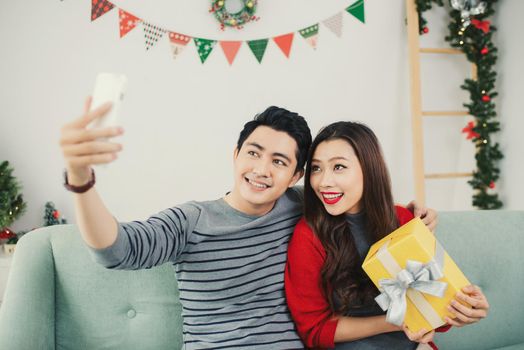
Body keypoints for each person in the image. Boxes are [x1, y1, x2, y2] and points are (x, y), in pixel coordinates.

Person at [59, 100, 438, 349]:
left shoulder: (304, 208)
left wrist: (408, 215)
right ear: (235, 155)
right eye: (253, 153)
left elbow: (355, 199)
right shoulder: (192, 220)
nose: (261, 169)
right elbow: (115, 250)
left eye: (278, 161)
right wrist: (80, 178)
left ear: (294, 176)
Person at [284, 121, 490, 350]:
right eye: (316, 168)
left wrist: (464, 307)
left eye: (339, 167)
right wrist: (395, 322)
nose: (323, 182)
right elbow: (316, 329)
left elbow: (433, 307)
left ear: (369, 168)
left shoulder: (402, 219)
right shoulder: (309, 235)